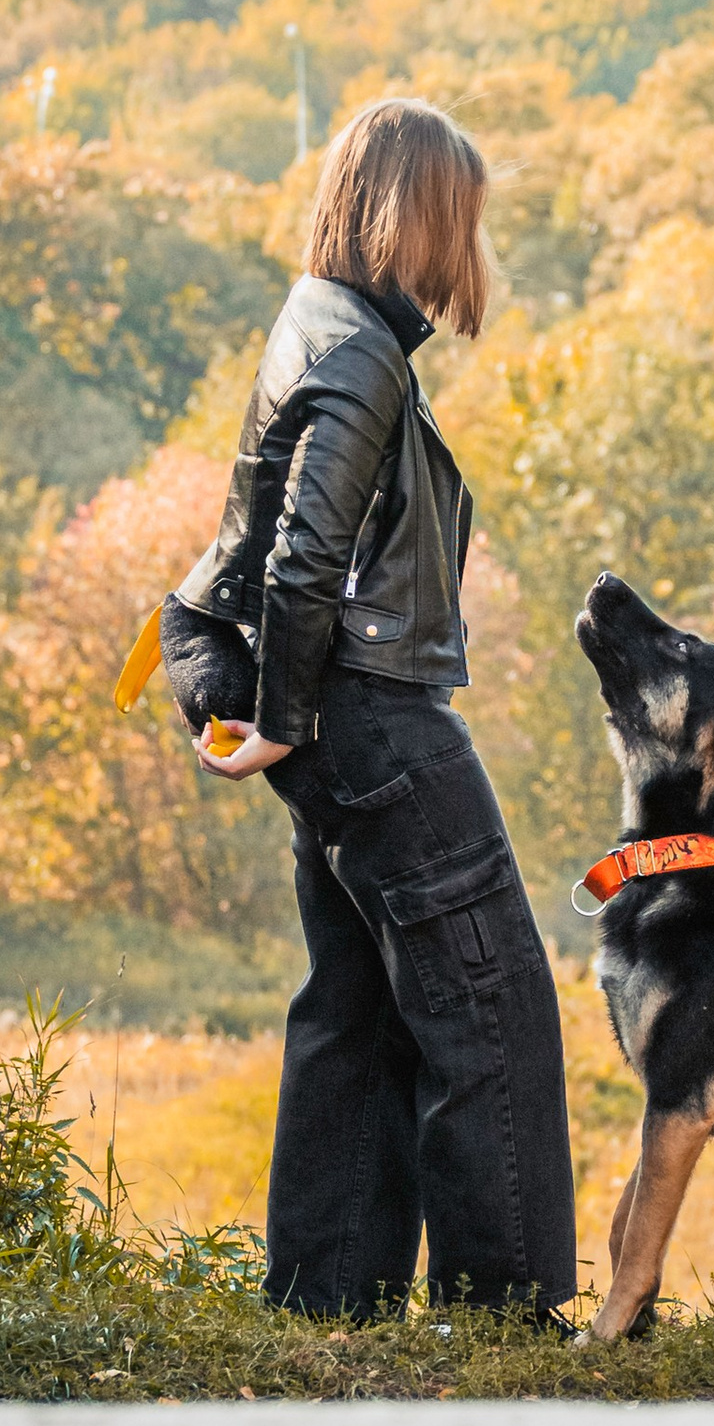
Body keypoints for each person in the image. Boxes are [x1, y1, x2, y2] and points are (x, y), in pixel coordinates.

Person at [159, 96, 576, 1324]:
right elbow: (305, 552)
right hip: (374, 716)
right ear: (419, 213)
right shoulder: (357, 355)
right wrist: (286, 718)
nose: (472, 242)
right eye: (463, 215)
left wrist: (290, 721)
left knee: (358, 1009)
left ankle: (328, 1299)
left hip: (341, 716)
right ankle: (504, 1309)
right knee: (493, 1002)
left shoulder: (321, 323)